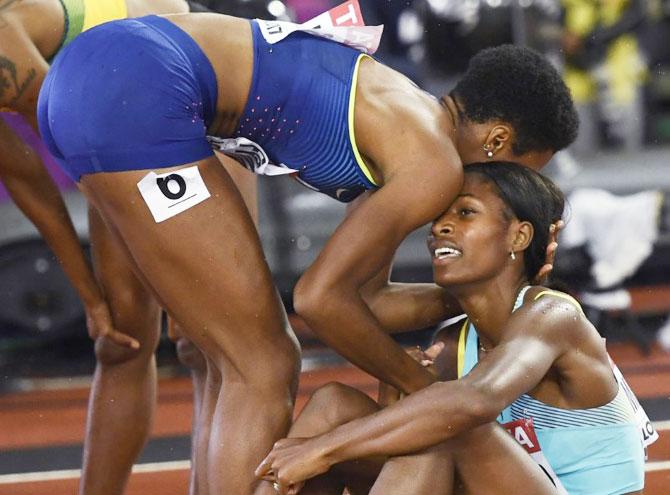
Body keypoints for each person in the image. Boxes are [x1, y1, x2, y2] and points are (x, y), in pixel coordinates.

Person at [36, 8, 578, 492]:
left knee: (232, 359)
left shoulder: (405, 125)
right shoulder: (432, 165)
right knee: (265, 362)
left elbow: (365, 302)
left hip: (87, 81)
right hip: (136, 86)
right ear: (499, 142)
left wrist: (485, 296)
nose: (509, 189)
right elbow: (320, 300)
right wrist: (422, 391)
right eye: (520, 174)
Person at [256, 162, 647, 495]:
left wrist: (321, 450)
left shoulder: (553, 316)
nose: (440, 227)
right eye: (439, 216)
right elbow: (404, 452)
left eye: (465, 213)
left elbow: (471, 404)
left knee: (452, 427)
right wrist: (395, 388)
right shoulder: (453, 341)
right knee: (335, 404)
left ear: (519, 236)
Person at [0, 1, 258, 494]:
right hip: (120, 115)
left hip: (198, 73)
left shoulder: (2, 49)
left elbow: (76, 151)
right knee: (121, 342)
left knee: (210, 337)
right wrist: (92, 299)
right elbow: (28, 180)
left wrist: (170, 269)